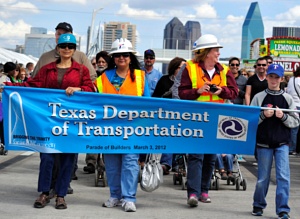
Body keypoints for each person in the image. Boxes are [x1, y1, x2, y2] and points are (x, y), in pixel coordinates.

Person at [4, 33, 95, 209]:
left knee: (68, 158)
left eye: (70, 47)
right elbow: (31, 85)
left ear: (74, 49)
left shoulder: (81, 70)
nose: (66, 49)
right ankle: (44, 192)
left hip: (71, 122)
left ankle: (61, 195)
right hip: (50, 121)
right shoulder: (47, 69)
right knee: (47, 157)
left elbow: (91, 89)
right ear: (58, 49)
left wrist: (79, 88)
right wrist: (8, 86)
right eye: (63, 46)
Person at [172, 34, 238, 207]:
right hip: (196, 119)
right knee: (195, 156)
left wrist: (221, 91)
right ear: (207, 52)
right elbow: (181, 93)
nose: (218, 53)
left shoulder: (224, 70)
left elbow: (234, 92)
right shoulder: (190, 68)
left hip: (217, 119)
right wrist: (198, 91)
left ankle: (204, 190)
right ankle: (192, 193)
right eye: (216, 50)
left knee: (210, 157)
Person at [95, 38, 150, 212]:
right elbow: (94, 101)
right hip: (109, 129)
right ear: (113, 57)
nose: (122, 58)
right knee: (111, 164)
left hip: (132, 129)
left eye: (125, 55)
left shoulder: (140, 77)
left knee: (130, 163)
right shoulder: (103, 77)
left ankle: (129, 198)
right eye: (118, 55)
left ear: (130, 57)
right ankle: (115, 196)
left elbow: (147, 102)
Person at [250, 64, 299, 219]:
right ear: (267, 77)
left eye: (276, 77)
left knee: (283, 177)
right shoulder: (258, 97)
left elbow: (295, 121)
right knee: (263, 178)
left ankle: (283, 209)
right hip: (263, 143)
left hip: (282, 143)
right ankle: (258, 205)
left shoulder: (288, 98)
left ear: (282, 79)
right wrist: (263, 115)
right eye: (271, 76)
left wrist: (283, 117)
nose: (273, 79)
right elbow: (250, 121)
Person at [152, 57, 186, 174]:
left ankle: (178, 163)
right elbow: (155, 97)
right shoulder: (164, 80)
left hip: (182, 115)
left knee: (180, 138)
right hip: (166, 114)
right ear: (174, 68)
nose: (183, 69)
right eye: (180, 67)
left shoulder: (186, 81)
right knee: (168, 137)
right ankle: (166, 163)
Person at [83, 51, 111, 174]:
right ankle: (91, 162)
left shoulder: (111, 76)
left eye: (103, 62)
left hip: (108, 112)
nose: (100, 64)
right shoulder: (92, 77)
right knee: (93, 137)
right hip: (94, 111)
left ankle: (105, 162)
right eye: (98, 62)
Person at [286, 66, 300, 155]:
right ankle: (293, 148)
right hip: (298, 105)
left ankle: (291, 147)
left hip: (291, 106)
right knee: (295, 129)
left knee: (293, 128)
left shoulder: (291, 79)